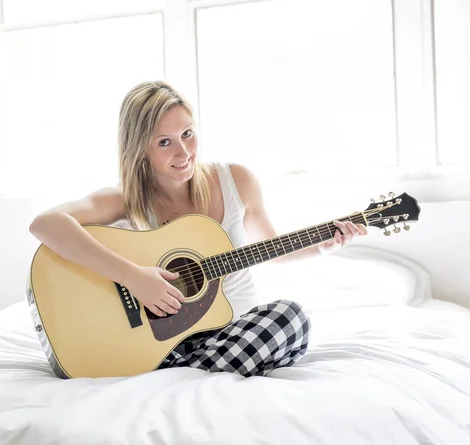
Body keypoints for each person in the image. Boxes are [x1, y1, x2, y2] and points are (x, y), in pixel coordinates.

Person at [29, 80, 368, 377]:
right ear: (140, 149)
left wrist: (323, 245)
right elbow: (45, 224)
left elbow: (271, 248)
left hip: (236, 331)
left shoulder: (236, 181)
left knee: (291, 319)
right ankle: (175, 363)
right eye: (165, 142)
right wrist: (133, 277)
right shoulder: (126, 199)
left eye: (188, 134)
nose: (184, 152)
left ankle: (165, 370)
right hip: (165, 337)